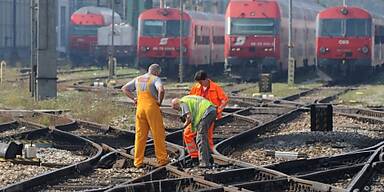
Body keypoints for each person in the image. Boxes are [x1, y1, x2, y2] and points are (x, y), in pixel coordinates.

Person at [121, 64, 168, 168]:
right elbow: (161, 90)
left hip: (140, 108)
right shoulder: (156, 79)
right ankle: (162, 159)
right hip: (152, 108)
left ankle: (137, 162)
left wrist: (134, 98)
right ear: (157, 72)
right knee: (157, 134)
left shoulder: (138, 79)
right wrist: (159, 101)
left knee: (140, 135)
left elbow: (124, 88)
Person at [185, 70, 228, 159]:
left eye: (201, 82)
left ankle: (210, 155)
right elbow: (190, 100)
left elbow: (224, 100)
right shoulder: (196, 87)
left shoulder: (216, 88)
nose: (200, 84)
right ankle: (194, 155)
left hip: (209, 116)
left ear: (206, 79)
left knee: (207, 136)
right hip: (197, 116)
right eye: (198, 82)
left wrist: (218, 111)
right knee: (187, 134)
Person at [171, 95, 217, 168]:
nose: (179, 111)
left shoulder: (182, 103)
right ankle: (209, 159)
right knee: (203, 137)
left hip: (206, 112)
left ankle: (204, 163)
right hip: (211, 110)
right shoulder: (186, 99)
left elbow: (189, 118)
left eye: (177, 109)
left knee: (200, 138)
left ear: (176, 104)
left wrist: (183, 126)